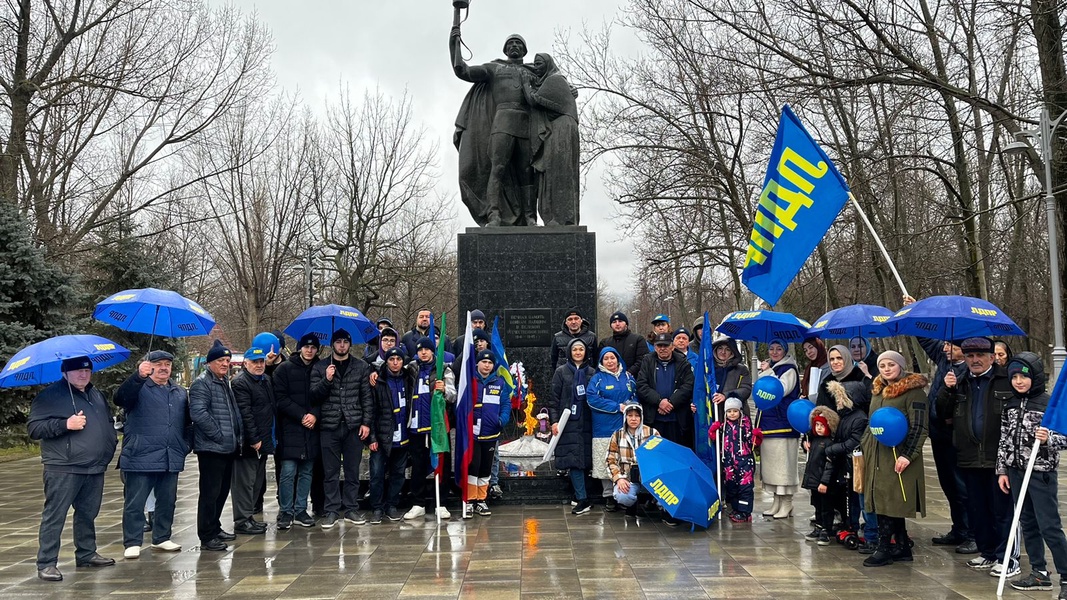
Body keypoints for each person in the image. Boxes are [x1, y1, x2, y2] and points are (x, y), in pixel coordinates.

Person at [28, 356, 118, 581]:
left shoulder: (95, 394)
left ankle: (86, 553)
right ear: (65, 372)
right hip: (64, 466)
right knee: (55, 515)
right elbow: (34, 428)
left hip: (94, 466)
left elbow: (106, 421)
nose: (83, 375)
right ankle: (47, 563)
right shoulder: (49, 396)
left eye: (87, 371)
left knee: (88, 513)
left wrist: (110, 443)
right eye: (78, 371)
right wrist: (65, 424)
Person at [936, 336, 1018, 575]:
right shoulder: (959, 381)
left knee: (1002, 511)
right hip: (969, 456)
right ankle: (988, 552)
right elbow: (943, 413)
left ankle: (1006, 558)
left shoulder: (1006, 381)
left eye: (980, 356)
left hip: (998, 459)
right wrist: (946, 389)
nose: (975, 360)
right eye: (970, 356)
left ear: (992, 357)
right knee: (978, 510)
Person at [450, 26, 538, 226]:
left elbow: (554, 85)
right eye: (511, 43)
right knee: (497, 168)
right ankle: (494, 215)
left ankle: (529, 216)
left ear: (524, 50)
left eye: (518, 43)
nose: (514, 46)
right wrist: (454, 44)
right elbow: (462, 70)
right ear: (505, 50)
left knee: (526, 171)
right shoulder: (494, 68)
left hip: (526, 125)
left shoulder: (533, 71)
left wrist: (569, 91)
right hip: (502, 122)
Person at [997, 353, 1067, 597]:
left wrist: (1050, 439)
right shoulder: (1010, 405)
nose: (1018, 381)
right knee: (1027, 523)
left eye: (1023, 377)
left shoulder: (1049, 405)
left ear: (1034, 377)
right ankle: (1039, 572)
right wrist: (1002, 470)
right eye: (1014, 376)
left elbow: (1065, 438)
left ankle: (1066, 576)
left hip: (1040, 474)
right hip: (1016, 472)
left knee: (1050, 526)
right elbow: (1004, 439)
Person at [114, 350, 189, 559]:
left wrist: (185, 445)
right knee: (135, 502)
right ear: (149, 366)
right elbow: (120, 398)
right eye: (159, 363)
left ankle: (162, 537)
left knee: (167, 500)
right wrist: (138, 376)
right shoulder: (139, 387)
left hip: (170, 455)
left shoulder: (179, 392)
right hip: (140, 455)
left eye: (168, 363)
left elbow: (187, 423)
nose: (164, 367)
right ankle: (132, 541)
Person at [861, 351, 928, 567]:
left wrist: (908, 454)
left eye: (891, 364)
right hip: (877, 453)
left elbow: (919, 426)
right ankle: (901, 545)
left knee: (890, 500)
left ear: (900, 365)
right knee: (885, 498)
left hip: (899, 453)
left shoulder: (913, 392)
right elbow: (872, 422)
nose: (887, 369)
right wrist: (864, 445)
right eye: (882, 365)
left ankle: (884, 548)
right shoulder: (878, 390)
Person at [311, 328, 375, 529]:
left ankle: (351, 508)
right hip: (329, 426)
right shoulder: (321, 367)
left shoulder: (361, 366)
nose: (341, 345)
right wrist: (326, 380)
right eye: (338, 342)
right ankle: (331, 510)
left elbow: (366, 397)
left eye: (345, 342)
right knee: (330, 472)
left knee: (352, 471)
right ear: (332, 344)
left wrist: (366, 423)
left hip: (353, 426)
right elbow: (314, 395)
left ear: (349, 344)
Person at [188, 340, 241, 551]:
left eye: (227, 360)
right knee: (210, 493)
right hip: (211, 448)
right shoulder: (202, 383)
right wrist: (219, 435)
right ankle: (206, 535)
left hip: (227, 447)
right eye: (221, 360)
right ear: (210, 362)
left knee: (221, 491)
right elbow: (199, 414)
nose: (225, 364)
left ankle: (215, 526)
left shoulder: (223, 382)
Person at [403, 337, 456, 521]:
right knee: (417, 465)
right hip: (417, 426)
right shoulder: (411, 369)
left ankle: (441, 503)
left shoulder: (443, 369)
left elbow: (452, 395)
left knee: (442, 465)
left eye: (427, 349)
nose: (423, 353)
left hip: (438, 426)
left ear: (433, 351)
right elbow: (390, 369)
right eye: (420, 350)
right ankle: (417, 503)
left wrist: (443, 390)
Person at [273, 333, 322, 530]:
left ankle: (301, 509)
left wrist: (314, 415)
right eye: (306, 347)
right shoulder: (284, 369)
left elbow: (325, 395)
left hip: (312, 428)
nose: (310, 350)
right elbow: (280, 398)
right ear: (300, 347)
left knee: (306, 471)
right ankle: (286, 510)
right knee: (288, 471)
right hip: (291, 427)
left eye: (313, 347)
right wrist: (302, 416)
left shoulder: (321, 368)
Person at [524, 52, 579, 225]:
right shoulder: (551, 81)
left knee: (560, 171)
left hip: (562, 128)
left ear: (548, 64)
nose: (536, 67)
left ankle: (562, 218)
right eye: (534, 64)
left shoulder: (555, 80)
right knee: (551, 171)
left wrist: (526, 85)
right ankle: (553, 217)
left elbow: (534, 100)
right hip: (556, 128)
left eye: (539, 64)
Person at [230, 339, 276, 535]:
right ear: (245, 363)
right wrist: (254, 439)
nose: (259, 365)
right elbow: (245, 414)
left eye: (261, 362)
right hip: (249, 444)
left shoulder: (265, 380)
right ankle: (242, 520)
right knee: (244, 483)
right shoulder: (241, 383)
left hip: (263, 441)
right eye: (254, 362)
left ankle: (249, 517)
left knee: (256, 482)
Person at [550, 338, 597, 515]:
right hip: (567, 422)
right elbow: (554, 399)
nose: (578, 352)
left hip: (587, 422)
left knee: (584, 460)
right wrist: (554, 421)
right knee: (573, 460)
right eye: (575, 349)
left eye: (581, 349)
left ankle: (580, 495)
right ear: (570, 351)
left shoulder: (592, 373)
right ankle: (582, 499)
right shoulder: (561, 372)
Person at [586, 347, 635, 512]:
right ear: (601, 362)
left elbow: (636, 396)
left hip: (625, 427)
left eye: (612, 358)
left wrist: (632, 406)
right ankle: (608, 496)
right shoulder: (597, 379)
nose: (610, 361)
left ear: (618, 359)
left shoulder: (628, 377)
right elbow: (592, 399)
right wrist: (616, 406)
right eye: (606, 359)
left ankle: (624, 493)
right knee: (606, 461)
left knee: (625, 460)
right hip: (604, 427)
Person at [464, 349, 511, 519]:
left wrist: (502, 420)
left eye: (490, 363)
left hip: (491, 434)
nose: (487, 365)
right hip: (474, 434)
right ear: (477, 363)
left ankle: (481, 500)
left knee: (485, 468)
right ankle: (469, 500)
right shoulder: (469, 381)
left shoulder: (499, 383)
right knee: (473, 466)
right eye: (484, 362)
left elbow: (505, 403)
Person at [822, 380, 870, 549]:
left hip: (855, 463)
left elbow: (853, 442)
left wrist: (832, 449)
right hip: (846, 464)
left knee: (857, 498)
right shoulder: (844, 416)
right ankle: (851, 524)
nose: (838, 401)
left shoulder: (859, 418)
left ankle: (862, 528)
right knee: (850, 497)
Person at [756, 339, 800, 519]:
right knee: (771, 467)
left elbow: (779, 390)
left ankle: (787, 502)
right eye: (771, 348)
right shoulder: (772, 368)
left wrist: (768, 372)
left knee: (784, 466)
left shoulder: (789, 369)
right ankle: (777, 500)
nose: (774, 352)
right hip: (768, 423)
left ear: (785, 350)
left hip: (784, 425)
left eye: (778, 348)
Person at [368, 348, 413, 523]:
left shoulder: (408, 379)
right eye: (392, 359)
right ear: (386, 361)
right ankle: (377, 508)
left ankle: (392, 505)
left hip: (403, 434)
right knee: (377, 474)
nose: (395, 362)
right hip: (381, 436)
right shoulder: (377, 381)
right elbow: (370, 410)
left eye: (398, 359)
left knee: (398, 473)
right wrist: (371, 437)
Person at [636, 332, 695, 449]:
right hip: (654, 418)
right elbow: (641, 385)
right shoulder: (647, 361)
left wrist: (671, 403)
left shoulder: (683, 363)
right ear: (655, 347)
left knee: (677, 453)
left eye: (666, 345)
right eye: (659, 346)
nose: (662, 349)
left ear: (672, 346)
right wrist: (659, 401)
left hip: (677, 420)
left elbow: (688, 386)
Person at [708, 398, 761, 523]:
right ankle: (736, 509)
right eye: (729, 411)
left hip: (744, 462)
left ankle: (745, 512)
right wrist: (712, 431)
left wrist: (757, 437)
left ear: (740, 411)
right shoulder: (723, 427)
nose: (732, 414)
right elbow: (716, 440)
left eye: (735, 411)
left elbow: (753, 443)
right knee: (732, 487)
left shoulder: (745, 425)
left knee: (745, 488)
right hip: (728, 463)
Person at [606, 403, 660, 519]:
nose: (634, 419)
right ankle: (632, 504)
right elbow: (610, 461)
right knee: (622, 496)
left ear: (641, 417)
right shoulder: (617, 435)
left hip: (651, 478)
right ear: (625, 417)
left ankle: (655, 502)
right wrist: (619, 478)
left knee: (666, 497)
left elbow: (661, 458)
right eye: (630, 415)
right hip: (628, 478)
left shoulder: (652, 433)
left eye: (637, 416)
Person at [802, 407, 841, 546]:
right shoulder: (815, 440)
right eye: (816, 425)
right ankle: (818, 526)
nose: (818, 428)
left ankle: (826, 529)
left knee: (826, 507)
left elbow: (829, 465)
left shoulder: (829, 443)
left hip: (823, 482)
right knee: (817, 505)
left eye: (822, 425)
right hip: (814, 480)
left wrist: (824, 482)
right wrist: (804, 443)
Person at [704, 333, 753, 422]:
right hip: (712, 415)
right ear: (715, 350)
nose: (723, 352)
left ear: (732, 352)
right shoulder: (708, 369)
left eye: (727, 349)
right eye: (720, 348)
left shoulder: (741, 369)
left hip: (735, 416)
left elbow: (746, 389)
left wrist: (726, 395)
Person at [815, 345, 872, 412]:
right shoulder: (826, 384)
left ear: (846, 358)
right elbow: (820, 409)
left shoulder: (860, 378)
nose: (835, 362)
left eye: (839, 358)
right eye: (832, 359)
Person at [598, 311, 648, 377]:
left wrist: (629, 372)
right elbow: (600, 362)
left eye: (620, 321)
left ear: (626, 324)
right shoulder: (605, 342)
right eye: (614, 322)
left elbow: (642, 360)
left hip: (634, 379)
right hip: (610, 379)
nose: (617, 324)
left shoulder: (638, 339)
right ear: (611, 325)